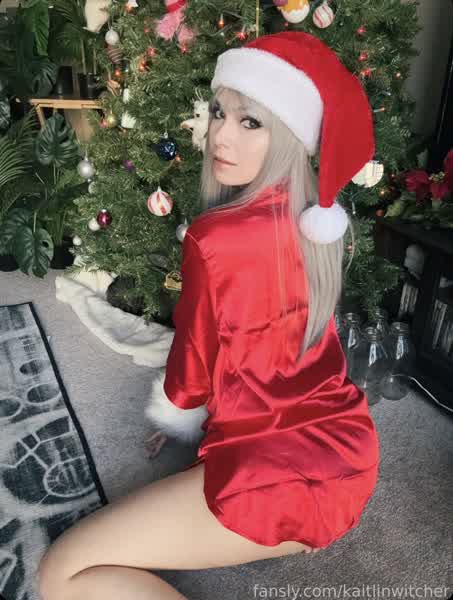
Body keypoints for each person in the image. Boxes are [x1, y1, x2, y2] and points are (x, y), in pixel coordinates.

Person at [37, 31, 380, 600]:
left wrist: (176, 412)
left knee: (60, 573)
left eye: (251, 122)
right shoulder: (314, 221)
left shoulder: (214, 238)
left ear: (289, 136)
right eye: (219, 112)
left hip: (281, 474)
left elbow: (193, 363)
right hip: (346, 450)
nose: (220, 135)